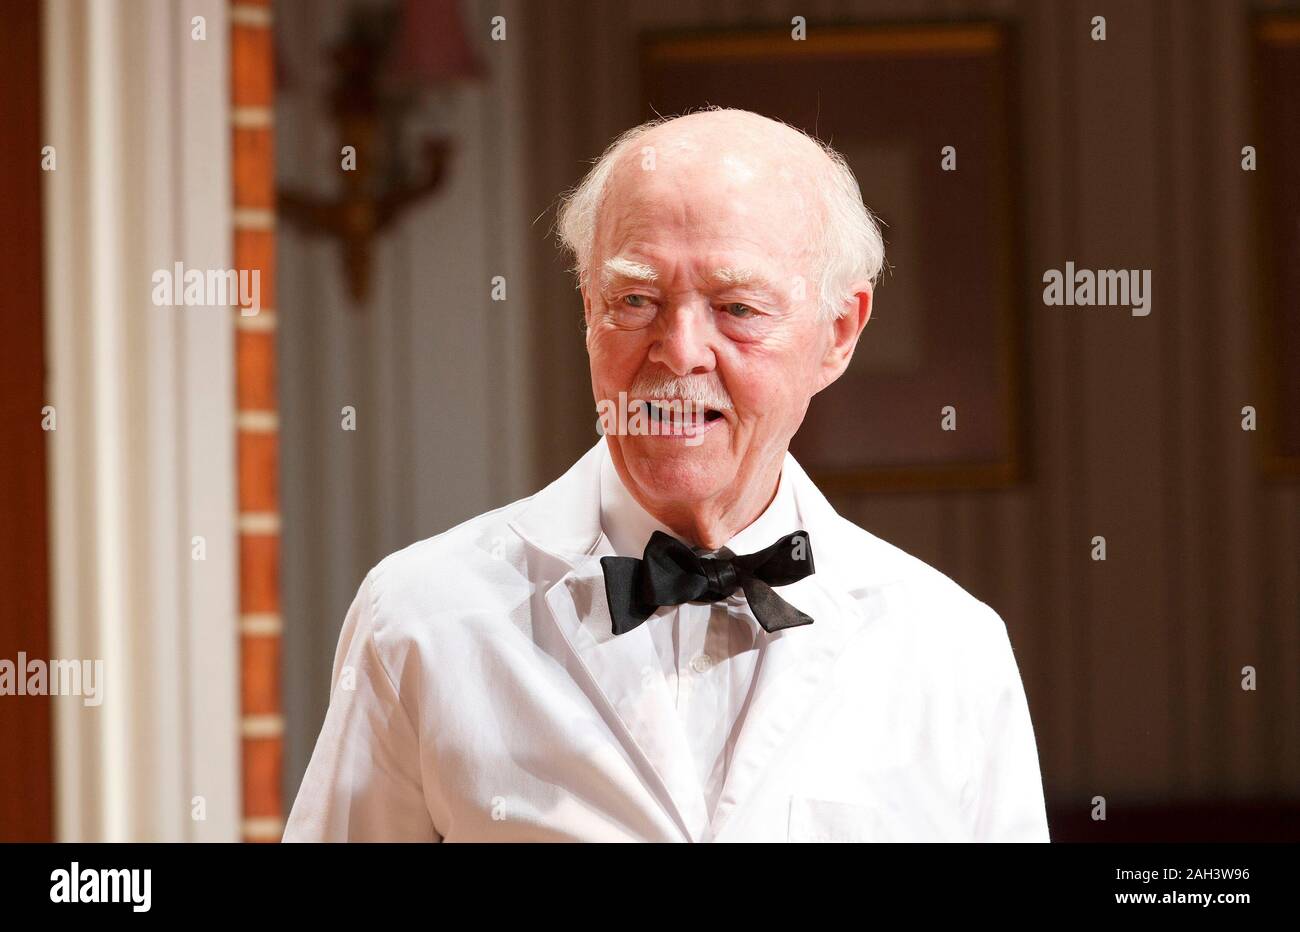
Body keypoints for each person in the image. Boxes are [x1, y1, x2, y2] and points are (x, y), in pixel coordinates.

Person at [283, 107, 1050, 842]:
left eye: (738, 307)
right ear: (589, 310)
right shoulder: (420, 617)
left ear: (838, 333)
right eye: (636, 299)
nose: (680, 351)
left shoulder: (948, 646)